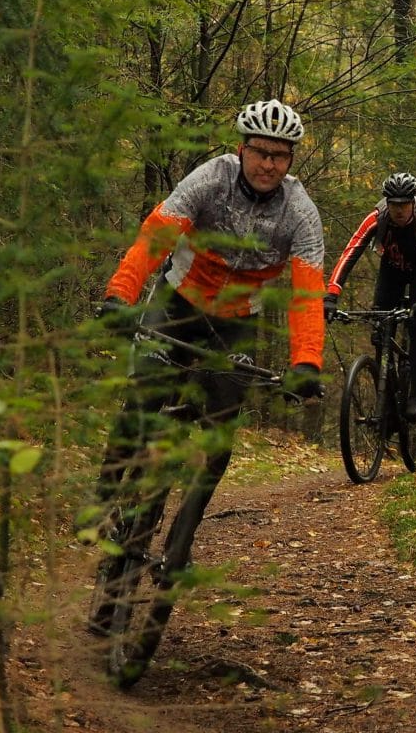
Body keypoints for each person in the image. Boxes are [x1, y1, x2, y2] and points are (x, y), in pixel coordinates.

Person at [89, 98, 325, 538]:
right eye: (259, 151)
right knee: (143, 395)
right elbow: (157, 234)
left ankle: (184, 534)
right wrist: (121, 293)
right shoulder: (211, 179)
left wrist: (306, 362)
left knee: (219, 435)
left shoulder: (300, 211)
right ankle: (104, 497)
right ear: (241, 149)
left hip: (237, 319)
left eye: (279, 155)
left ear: (291, 159)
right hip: (178, 301)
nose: (267, 164)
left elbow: (308, 293)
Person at [323, 172, 416, 421]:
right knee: (380, 331)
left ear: (413, 202)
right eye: (394, 204)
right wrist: (332, 294)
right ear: (387, 203)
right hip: (392, 270)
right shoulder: (377, 217)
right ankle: (387, 396)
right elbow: (350, 253)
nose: (399, 210)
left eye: (404, 204)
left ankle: (415, 395)